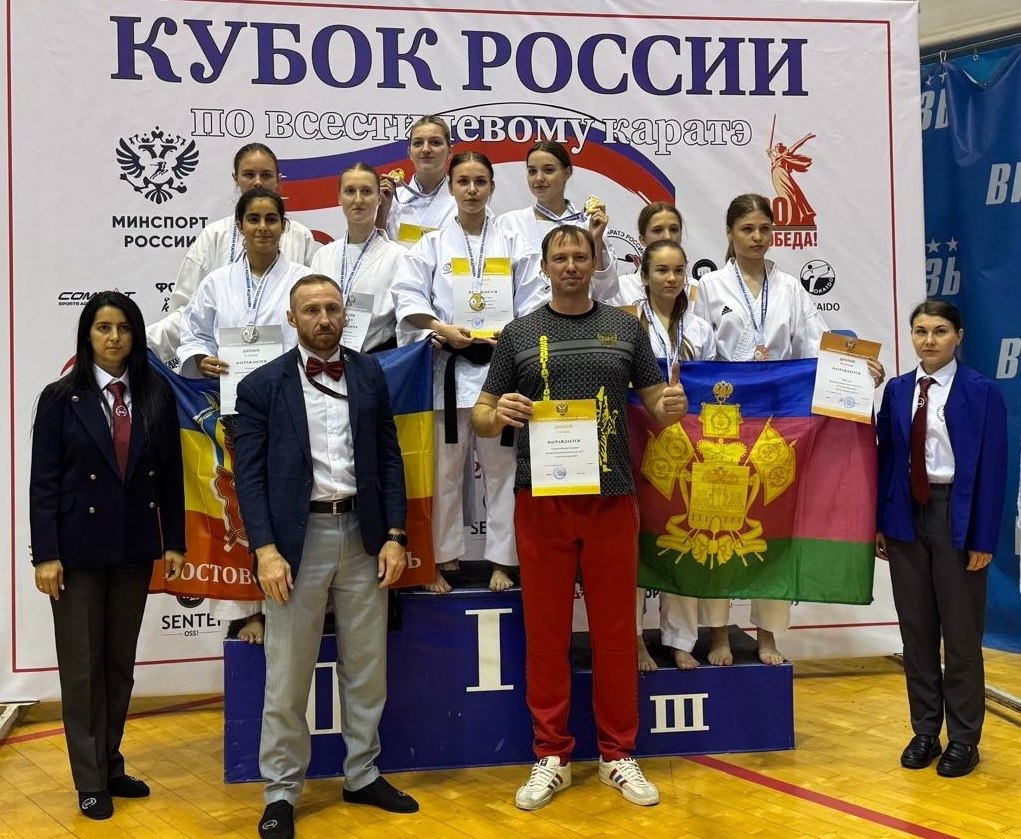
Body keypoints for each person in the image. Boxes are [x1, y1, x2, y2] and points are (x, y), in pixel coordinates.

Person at [472, 225, 687, 811]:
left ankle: (618, 754)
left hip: (611, 498)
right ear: (544, 266)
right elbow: (481, 417)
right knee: (545, 634)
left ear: (595, 263)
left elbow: (657, 405)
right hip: (541, 499)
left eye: (579, 256)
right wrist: (499, 411)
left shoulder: (625, 328)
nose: (570, 265)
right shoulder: (518, 334)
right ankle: (552, 755)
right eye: (560, 257)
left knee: (616, 633)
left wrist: (670, 406)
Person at [233, 275, 418, 839]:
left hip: (363, 536)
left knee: (367, 667)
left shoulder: (368, 373)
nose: (323, 318)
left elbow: (390, 458)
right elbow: (249, 478)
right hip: (296, 544)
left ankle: (362, 774)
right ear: (292, 319)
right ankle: (281, 791)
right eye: (311, 310)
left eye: (332, 308)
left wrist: (395, 535)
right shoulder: (261, 385)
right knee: (288, 675)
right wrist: (265, 550)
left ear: (345, 315)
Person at [30, 291, 186, 820]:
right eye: (103, 327)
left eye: (123, 327)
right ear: (87, 335)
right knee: (83, 669)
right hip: (75, 554)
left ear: (136, 335)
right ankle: (89, 779)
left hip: (133, 548)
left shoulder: (154, 395)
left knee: (119, 665)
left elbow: (171, 475)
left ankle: (110, 762)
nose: (114, 337)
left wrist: (175, 540)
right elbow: (43, 483)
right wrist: (45, 554)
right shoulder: (60, 397)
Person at [392, 151, 546, 594]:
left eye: (481, 181)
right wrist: (439, 328)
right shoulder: (431, 244)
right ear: (452, 187)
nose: (472, 190)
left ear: (492, 187)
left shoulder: (514, 242)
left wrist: (511, 334)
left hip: (500, 371)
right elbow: (407, 295)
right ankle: (441, 558)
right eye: (463, 181)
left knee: (502, 469)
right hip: (449, 370)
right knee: (444, 472)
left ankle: (502, 561)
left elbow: (535, 299)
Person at [692, 193, 831, 665]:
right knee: (717, 523)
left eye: (764, 229)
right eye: (747, 229)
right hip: (723, 420)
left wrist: (853, 370)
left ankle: (767, 634)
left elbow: (817, 345)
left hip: (778, 419)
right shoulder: (709, 287)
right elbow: (695, 351)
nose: (756, 237)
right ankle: (717, 633)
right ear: (729, 233)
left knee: (772, 524)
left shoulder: (791, 288)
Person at [876, 299, 1007, 778]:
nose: (929, 340)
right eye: (920, 331)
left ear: (959, 336)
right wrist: (882, 520)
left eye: (939, 331)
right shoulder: (896, 390)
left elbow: (994, 468)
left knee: (961, 634)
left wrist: (983, 538)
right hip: (905, 515)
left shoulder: (981, 391)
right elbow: (886, 458)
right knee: (916, 632)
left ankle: (965, 739)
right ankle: (926, 730)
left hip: (957, 513)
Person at [177, 186, 308, 643]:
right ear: (240, 226)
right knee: (243, 505)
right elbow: (192, 333)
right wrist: (200, 358)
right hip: (235, 409)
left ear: (284, 226)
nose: (263, 228)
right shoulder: (217, 281)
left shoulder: (302, 279)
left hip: (291, 407)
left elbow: (320, 332)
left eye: (271, 219)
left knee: (286, 505)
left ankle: (288, 602)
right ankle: (249, 610)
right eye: (254, 219)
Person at [622, 240, 716, 672]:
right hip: (636, 440)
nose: (671, 278)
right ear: (644, 276)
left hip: (687, 443)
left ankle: (681, 639)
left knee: (683, 537)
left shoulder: (700, 328)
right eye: (661, 270)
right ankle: (635, 639)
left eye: (679, 270)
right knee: (635, 542)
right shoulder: (626, 323)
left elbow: (714, 385)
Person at [147, 143, 318, 364]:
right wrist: (195, 354)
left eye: (266, 175)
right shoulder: (213, 236)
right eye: (249, 174)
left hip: (286, 366)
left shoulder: (301, 237)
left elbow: (315, 306)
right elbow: (187, 314)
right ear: (235, 179)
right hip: (224, 369)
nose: (258, 182)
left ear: (278, 180)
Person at [496, 140, 619, 301]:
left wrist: (595, 239)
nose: (539, 178)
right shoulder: (509, 224)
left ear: (567, 173)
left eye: (548, 170)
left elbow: (605, 291)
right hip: (527, 317)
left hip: (579, 315)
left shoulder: (588, 223)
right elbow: (496, 288)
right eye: (532, 171)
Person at [309, 163, 404, 352]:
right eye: (350, 191)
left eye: (366, 191)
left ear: (379, 198)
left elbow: (405, 321)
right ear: (339, 198)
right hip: (327, 356)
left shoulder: (399, 257)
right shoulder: (323, 256)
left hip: (377, 360)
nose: (358, 199)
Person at [378, 115, 456, 247]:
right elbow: (373, 251)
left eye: (435, 142)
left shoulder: (463, 201)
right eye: (418, 143)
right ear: (410, 152)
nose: (425, 149)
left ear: (450, 151)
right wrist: (382, 211)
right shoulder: (391, 200)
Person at [608, 202, 685, 307]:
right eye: (658, 230)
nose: (667, 236)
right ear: (642, 239)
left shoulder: (696, 289)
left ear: (681, 235)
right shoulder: (621, 289)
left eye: (674, 229)